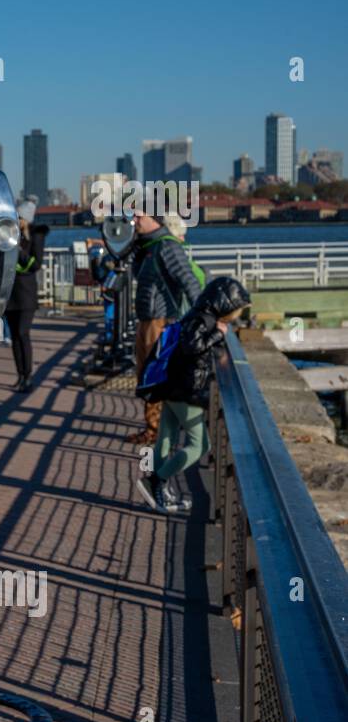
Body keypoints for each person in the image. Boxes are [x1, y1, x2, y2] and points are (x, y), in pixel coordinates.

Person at [136, 277, 250, 514]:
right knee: (200, 446)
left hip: (173, 385)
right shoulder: (203, 320)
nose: (235, 316)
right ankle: (156, 481)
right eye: (235, 310)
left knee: (165, 439)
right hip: (186, 391)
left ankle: (158, 492)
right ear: (225, 304)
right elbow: (192, 347)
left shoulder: (196, 315)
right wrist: (219, 335)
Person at [127, 210, 201, 445]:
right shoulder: (150, 247)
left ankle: (156, 430)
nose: (135, 221)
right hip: (148, 319)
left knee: (153, 376)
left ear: (154, 220)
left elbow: (188, 280)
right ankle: (154, 427)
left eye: (139, 217)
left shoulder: (167, 246)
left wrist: (201, 316)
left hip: (159, 321)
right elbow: (137, 274)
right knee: (146, 375)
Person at [4, 220, 50, 392]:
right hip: (11, 293)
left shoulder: (37, 236)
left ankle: (28, 377)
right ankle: (20, 375)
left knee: (23, 334)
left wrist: (17, 250)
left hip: (26, 295)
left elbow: (35, 264)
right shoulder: (10, 233)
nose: (17, 219)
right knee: (15, 336)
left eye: (20, 216)